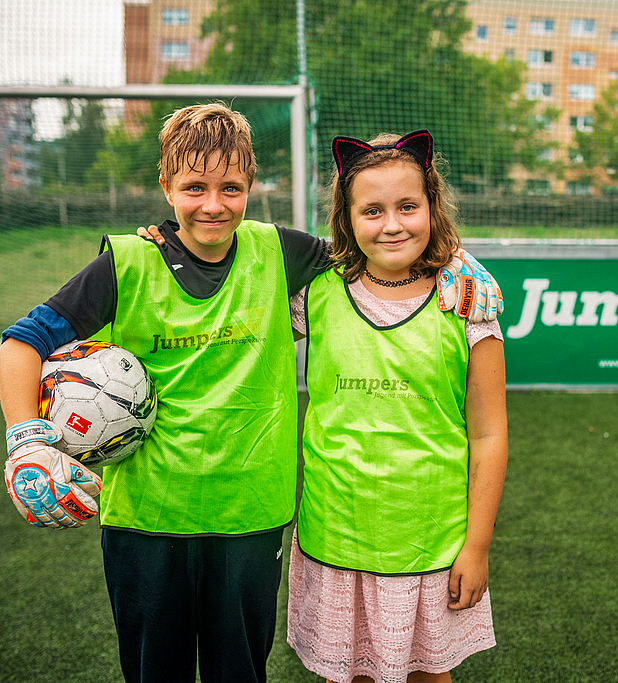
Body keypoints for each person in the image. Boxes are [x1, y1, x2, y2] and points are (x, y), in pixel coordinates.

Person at [0, 104, 501, 683]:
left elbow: (378, 243)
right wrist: (27, 440)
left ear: (250, 188)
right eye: (194, 187)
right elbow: (22, 342)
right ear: (165, 187)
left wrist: (460, 261)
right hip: (145, 518)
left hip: (249, 520)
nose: (212, 204)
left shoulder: (285, 254)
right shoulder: (127, 263)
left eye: (230, 188)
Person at [286, 130, 508, 683]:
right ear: (346, 216)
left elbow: (488, 434)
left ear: (432, 207)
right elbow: (233, 294)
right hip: (336, 534)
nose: (392, 224)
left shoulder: (469, 302)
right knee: (352, 673)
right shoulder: (315, 294)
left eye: (408, 206)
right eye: (372, 210)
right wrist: (165, 239)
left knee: (428, 675)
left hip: (430, 541)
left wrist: (476, 546)